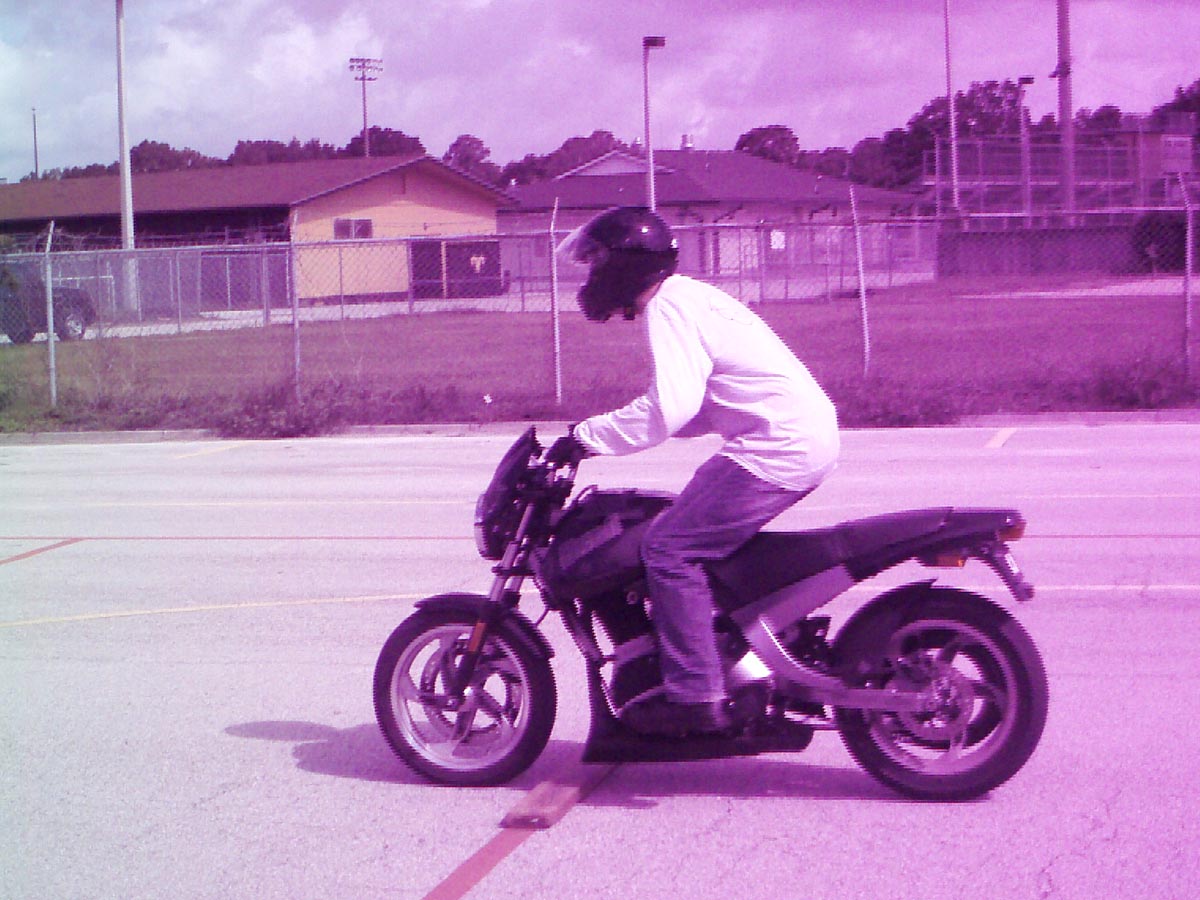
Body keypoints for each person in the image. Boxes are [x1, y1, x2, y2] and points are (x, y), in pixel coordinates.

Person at [547, 206, 840, 738]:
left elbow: (668, 410)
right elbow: (698, 408)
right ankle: (726, 651)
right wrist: (602, 440)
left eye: (596, 262)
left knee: (669, 549)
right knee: (680, 523)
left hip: (777, 447)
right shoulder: (690, 297)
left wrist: (583, 438)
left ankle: (697, 695)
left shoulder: (668, 307)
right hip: (787, 439)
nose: (592, 276)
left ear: (622, 263)